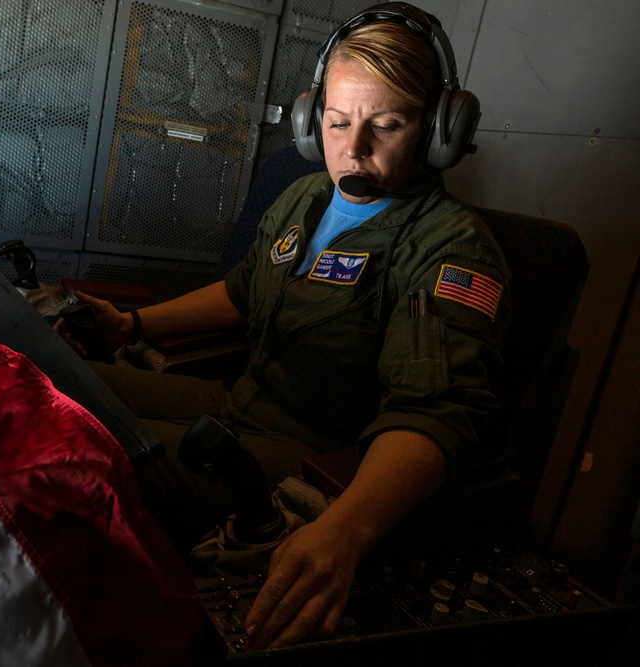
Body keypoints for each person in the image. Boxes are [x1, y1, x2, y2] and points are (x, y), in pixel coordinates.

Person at [57, 3, 510, 650]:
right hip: (238, 400)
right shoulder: (307, 196)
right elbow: (243, 293)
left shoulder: (449, 246)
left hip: (307, 450)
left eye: (386, 125)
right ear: (309, 121)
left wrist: (346, 531)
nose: (352, 149)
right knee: (55, 383)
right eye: (336, 121)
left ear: (438, 132)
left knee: (87, 450)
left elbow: (435, 414)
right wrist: (132, 324)